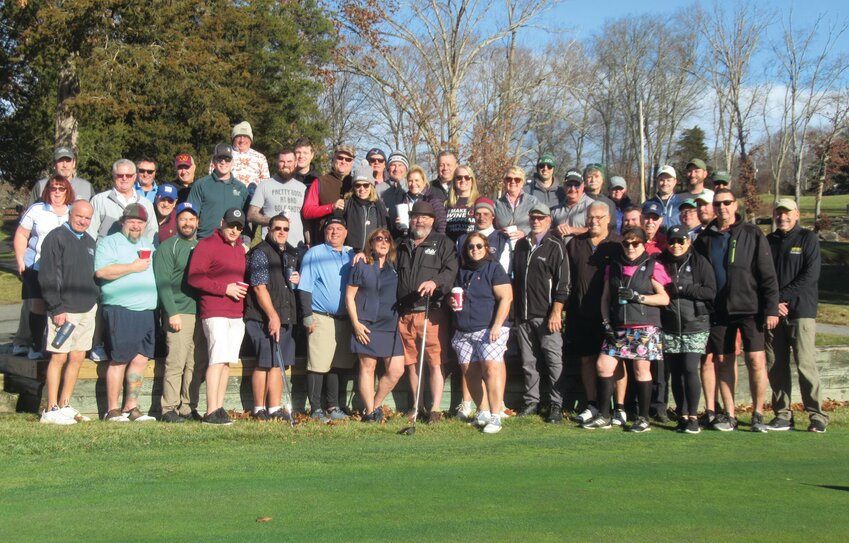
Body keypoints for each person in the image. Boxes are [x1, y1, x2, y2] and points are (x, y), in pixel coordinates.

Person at [693, 188, 779, 432]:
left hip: (750, 308)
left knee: (756, 360)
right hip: (718, 310)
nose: (722, 208)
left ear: (735, 205)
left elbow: (768, 274)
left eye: (727, 203)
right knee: (723, 360)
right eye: (718, 203)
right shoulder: (705, 238)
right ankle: (729, 414)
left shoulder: (752, 233)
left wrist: (771, 307)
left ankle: (758, 413)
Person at [582, 227, 671, 432]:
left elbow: (664, 298)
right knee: (603, 365)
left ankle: (643, 418)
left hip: (644, 326)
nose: (630, 247)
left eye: (635, 243)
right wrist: (606, 323)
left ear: (643, 244)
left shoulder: (652, 265)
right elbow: (605, 298)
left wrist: (638, 297)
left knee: (641, 370)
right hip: (618, 326)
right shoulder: (613, 266)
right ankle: (604, 415)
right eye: (626, 243)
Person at [765, 198, 828, 433]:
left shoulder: (807, 238)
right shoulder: (768, 242)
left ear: (797, 214)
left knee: (805, 363)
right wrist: (772, 302)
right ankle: (782, 414)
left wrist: (780, 297)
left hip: (801, 311)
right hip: (774, 313)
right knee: (776, 365)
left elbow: (810, 275)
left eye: (787, 213)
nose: (783, 217)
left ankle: (817, 415)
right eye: (779, 213)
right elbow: (761, 276)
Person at [94, 204, 158, 422]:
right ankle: (112, 410)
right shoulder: (110, 243)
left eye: (140, 223)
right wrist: (132, 266)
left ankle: (130, 408)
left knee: (140, 359)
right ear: (123, 222)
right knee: (119, 359)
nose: (136, 226)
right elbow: (101, 272)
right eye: (132, 221)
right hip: (121, 309)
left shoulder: (147, 243)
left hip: (146, 310)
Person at [396, 201, 458, 423]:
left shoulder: (443, 243)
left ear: (432, 220)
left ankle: (434, 409)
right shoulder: (402, 244)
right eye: (415, 217)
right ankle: (417, 405)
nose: (419, 221)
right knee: (412, 363)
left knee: (434, 361)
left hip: (431, 313)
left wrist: (436, 282)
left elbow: (451, 272)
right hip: (405, 314)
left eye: (424, 217)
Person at [37, 201, 99, 425]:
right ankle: (51, 408)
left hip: (86, 309)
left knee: (77, 357)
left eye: (87, 218)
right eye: (79, 216)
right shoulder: (56, 237)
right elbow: (47, 275)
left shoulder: (90, 242)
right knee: (59, 356)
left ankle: (64, 404)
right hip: (63, 309)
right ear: (71, 215)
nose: (83, 221)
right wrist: (56, 307)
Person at [566, 202, 627, 427]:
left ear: (608, 219)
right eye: (591, 217)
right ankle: (592, 404)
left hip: (613, 314)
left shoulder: (618, 244)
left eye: (599, 217)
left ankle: (619, 408)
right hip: (582, 312)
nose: (594, 221)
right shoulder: (575, 244)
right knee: (587, 359)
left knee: (616, 360)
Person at [187, 208, 249, 425]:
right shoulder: (207, 244)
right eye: (231, 224)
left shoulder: (241, 248)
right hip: (214, 309)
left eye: (239, 227)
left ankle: (219, 407)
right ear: (222, 222)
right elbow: (194, 278)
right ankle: (210, 410)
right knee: (217, 358)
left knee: (227, 360)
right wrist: (225, 289)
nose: (234, 230)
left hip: (236, 312)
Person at [512, 203, 570, 423]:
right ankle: (532, 401)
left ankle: (556, 405)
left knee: (553, 361)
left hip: (546, 315)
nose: (536, 221)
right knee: (529, 362)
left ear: (549, 220)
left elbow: (563, 284)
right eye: (533, 218)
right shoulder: (521, 245)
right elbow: (516, 280)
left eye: (540, 218)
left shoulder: (555, 246)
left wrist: (556, 312)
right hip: (524, 315)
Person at [450, 232, 513, 434]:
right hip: (464, 330)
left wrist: (496, 325)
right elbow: (455, 295)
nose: (474, 250)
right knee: (471, 373)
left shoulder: (494, 268)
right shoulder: (461, 271)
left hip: (489, 328)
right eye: (470, 247)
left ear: (486, 248)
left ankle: (496, 416)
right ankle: (483, 411)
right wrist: (451, 303)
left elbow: (506, 298)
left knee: (491, 370)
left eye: (479, 246)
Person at [297, 217, 357, 422]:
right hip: (320, 317)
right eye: (330, 229)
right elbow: (304, 286)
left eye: (339, 228)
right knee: (317, 365)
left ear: (346, 232)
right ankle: (315, 408)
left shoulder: (351, 254)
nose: (334, 232)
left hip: (345, 319)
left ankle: (333, 406)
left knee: (336, 364)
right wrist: (307, 316)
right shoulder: (315, 253)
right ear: (325, 232)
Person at [659, 225, 716, 434]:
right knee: (675, 372)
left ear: (688, 241)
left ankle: (693, 416)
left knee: (690, 368)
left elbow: (710, 291)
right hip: (670, 325)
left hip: (696, 323)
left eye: (680, 241)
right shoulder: (661, 262)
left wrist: (683, 289)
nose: (676, 245)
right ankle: (682, 416)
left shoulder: (699, 261)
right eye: (672, 241)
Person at [245, 214, 302, 421]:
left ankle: (274, 407)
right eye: (277, 228)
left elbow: (287, 281)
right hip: (262, 316)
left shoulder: (289, 253)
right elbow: (259, 288)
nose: (281, 232)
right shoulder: (260, 252)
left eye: (285, 229)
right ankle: (259, 408)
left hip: (285, 314)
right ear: (268, 230)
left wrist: (297, 277)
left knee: (279, 364)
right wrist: (272, 316)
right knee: (265, 362)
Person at [345, 228, 405, 422]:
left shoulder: (394, 265)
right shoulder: (361, 264)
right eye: (378, 239)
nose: (383, 242)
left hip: (391, 325)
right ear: (371, 243)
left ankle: (376, 403)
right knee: (368, 367)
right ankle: (370, 412)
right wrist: (355, 324)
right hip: (366, 324)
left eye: (387, 239)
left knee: (396, 370)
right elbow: (349, 296)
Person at [153, 202, 204, 423]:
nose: (187, 223)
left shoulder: (202, 246)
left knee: (195, 363)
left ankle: (188, 406)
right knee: (176, 361)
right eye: (183, 218)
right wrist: (171, 312)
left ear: (197, 222)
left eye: (191, 219)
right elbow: (162, 282)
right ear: (177, 221)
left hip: (200, 313)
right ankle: (169, 408)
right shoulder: (168, 247)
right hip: (179, 311)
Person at [14, 175, 74, 359]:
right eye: (54, 188)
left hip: (63, 268)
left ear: (67, 191)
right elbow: (22, 235)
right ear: (48, 190)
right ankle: (35, 344)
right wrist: (20, 261)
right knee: (38, 304)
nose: (57, 192)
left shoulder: (72, 211)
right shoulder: (37, 209)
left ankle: (57, 345)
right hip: (36, 265)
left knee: (61, 306)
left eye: (61, 188)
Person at [188, 143, 250, 239]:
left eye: (227, 159)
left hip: (231, 244)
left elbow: (247, 221)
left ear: (232, 162)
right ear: (213, 161)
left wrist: (245, 242)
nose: (223, 162)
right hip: (205, 241)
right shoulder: (201, 185)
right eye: (219, 158)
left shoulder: (241, 188)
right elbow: (190, 216)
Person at [248, 148, 307, 245]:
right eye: (282, 161)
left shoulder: (302, 188)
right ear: (277, 163)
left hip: (297, 246)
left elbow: (306, 221)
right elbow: (251, 215)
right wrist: (272, 221)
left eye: (289, 161)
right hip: (271, 246)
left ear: (295, 163)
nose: (286, 165)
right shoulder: (264, 185)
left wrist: (308, 241)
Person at [89, 158, 157, 243]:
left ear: (135, 177)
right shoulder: (99, 200)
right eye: (120, 175)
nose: (124, 178)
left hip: (136, 255)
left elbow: (151, 234)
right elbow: (90, 234)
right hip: (106, 254)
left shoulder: (146, 204)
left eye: (128, 175)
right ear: (113, 175)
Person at [302, 145, 355, 245]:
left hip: (350, 246)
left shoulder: (357, 185)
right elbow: (307, 211)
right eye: (340, 158)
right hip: (324, 243)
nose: (343, 161)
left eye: (348, 159)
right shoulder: (320, 182)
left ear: (352, 162)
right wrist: (330, 207)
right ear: (333, 159)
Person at [341, 160, 389, 252]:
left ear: (371, 186)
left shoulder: (379, 206)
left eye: (365, 185)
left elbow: (385, 230)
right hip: (350, 254)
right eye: (358, 185)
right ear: (353, 187)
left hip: (373, 255)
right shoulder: (346, 204)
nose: (362, 189)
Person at [388, 165, 447, 238]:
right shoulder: (404, 199)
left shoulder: (432, 197)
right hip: (410, 240)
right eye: (410, 181)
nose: (413, 184)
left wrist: (439, 242)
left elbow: (441, 224)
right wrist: (398, 226)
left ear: (424, 181)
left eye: (417, 180)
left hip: (430, 240)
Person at [211, 121, 270, 187]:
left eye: (245, 137)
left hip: (252, 196)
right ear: (233, 139)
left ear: (250, 140)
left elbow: (266, 184)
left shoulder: (260, 158)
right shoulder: (222, 154)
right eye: (239, 136)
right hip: (226, 195)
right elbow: (211, 177)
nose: (242, 140)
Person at [28, 146, 93, 205]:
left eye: (68, 161)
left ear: (74, 163)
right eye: (61, 161)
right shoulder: (41, 186)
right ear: (54, 164)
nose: (65, 165)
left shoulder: (87, 187)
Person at [495, 166, 541, 244]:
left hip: (526, 245)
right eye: (509, 179)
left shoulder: (533, 202)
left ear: (522, 183)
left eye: (517, 179)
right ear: (504, 182)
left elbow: (541, 224)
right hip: (503, 246)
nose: (513, 182)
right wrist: (500, 232)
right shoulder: (497, 204)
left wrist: (525, 232)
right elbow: (491, 228)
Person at [552, 170, 593, 243]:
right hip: (559, 252)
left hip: (584, 252)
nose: (573, 189)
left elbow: (596, 230)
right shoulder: (556, 210)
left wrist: (572, 230)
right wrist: (556, 230)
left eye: (577, 185)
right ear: (564, 186)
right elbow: (546, 231)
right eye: (569, 185)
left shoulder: (592, 206)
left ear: (583, 186)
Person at [444, 164, 479, 242]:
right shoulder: (446, 204)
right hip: (450, 250)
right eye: (459, 177)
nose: (463, 180)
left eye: (467, 178)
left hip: (472, 249)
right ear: (454, 181)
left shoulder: (479, 202)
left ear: (472, 181)